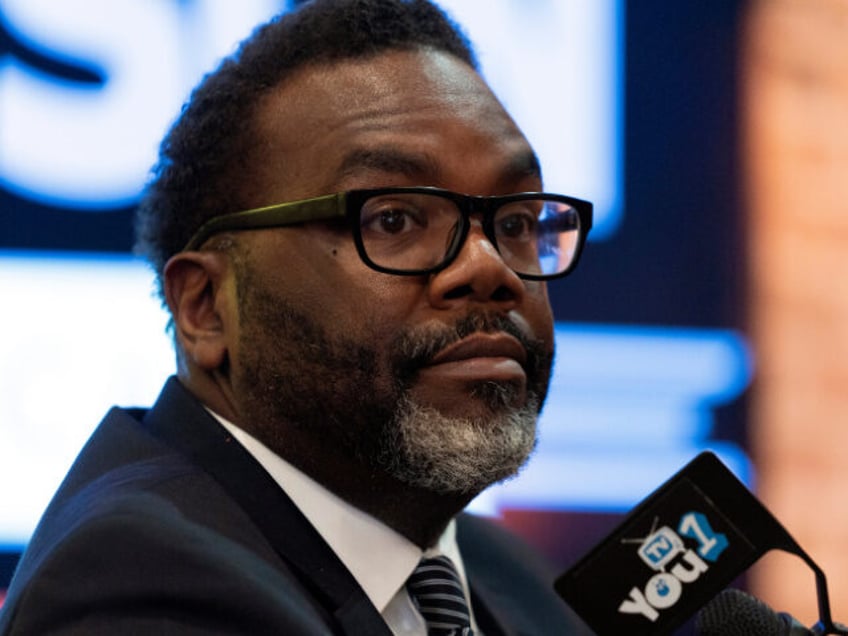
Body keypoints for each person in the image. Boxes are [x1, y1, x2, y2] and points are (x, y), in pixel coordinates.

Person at [0, 0, 595, 633]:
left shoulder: (506, 573)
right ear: (204, 307)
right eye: (392, 219)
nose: (489, 267)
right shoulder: (140, 583)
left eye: (516, 223)